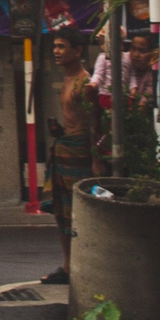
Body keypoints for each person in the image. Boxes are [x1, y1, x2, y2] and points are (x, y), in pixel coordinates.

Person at [43, 28, 104, 285]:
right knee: (61, 210)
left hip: (79, 151)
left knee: (77, 211)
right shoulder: (68, 79)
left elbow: (95, 122)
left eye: (62, 47)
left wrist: (96, 158)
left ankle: (83, 265)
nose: (56, 51)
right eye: (55, 46)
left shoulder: (83, 82)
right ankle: (68, 265)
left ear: (78, 51)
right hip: (65, 147)